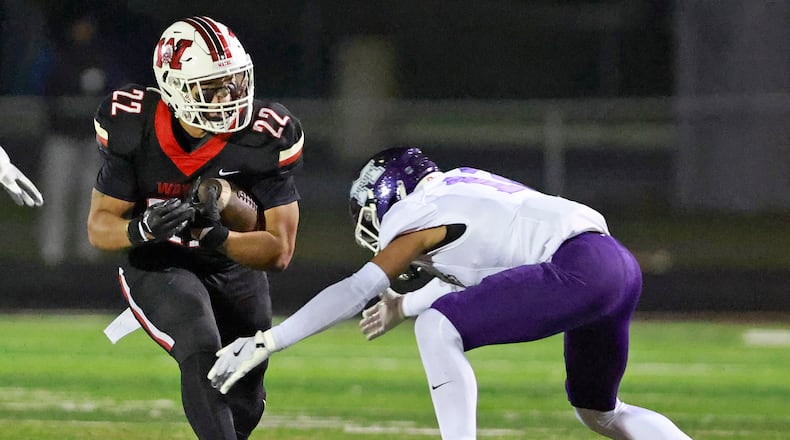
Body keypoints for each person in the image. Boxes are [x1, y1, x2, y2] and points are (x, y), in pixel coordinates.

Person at [208, 147, 694, 439]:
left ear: (388, 197)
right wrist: (403, 304)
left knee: (438, 328)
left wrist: (270, 340)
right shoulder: (458, 187)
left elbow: (357, 289)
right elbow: (475, 272)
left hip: (578, 267)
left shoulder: (415, 213)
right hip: (615, 266)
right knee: (600, 412)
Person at [86, 16, 304, 440]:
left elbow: (279, 251)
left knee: (244, 397)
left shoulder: (264, 135)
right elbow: (99, 227)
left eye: (234, 83)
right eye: (212, 87)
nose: (228, 97)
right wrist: (141, 229)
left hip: (232, 265)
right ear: (173, 87)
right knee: (202, 350)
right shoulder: (134, 125)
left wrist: (217, 233)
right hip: (159, 261)